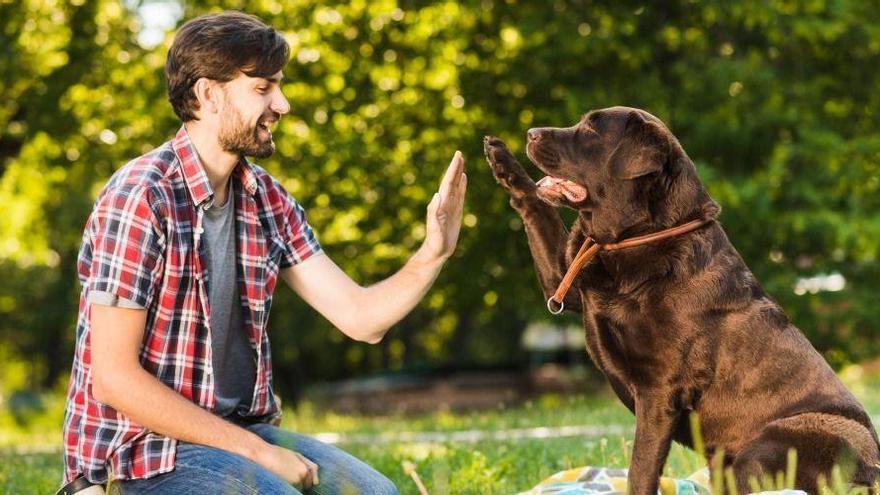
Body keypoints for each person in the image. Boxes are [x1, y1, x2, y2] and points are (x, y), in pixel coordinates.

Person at [60, 11, 466, 494]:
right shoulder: (142, 196)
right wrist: (259, 454)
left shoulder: (266, 200)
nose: (284, 104)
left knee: (377, 493)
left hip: (237, 433)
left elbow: (362, 318)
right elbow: (114, 379)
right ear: (208, 94)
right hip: (140, 453)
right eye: (263, 88)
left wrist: (433, 253)